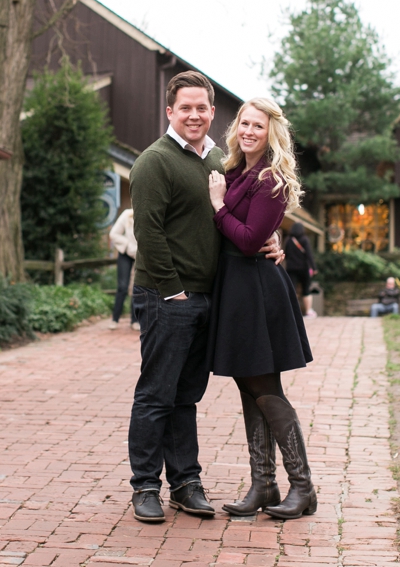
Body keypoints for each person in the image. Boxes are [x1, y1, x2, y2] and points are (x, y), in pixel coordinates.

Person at [128, 72, 284, 523]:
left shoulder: (221, 159)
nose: (194, 115)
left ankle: (185, 483)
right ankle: (144, 486)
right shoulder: (153, 162)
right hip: (167, 296)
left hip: (210, 297)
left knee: (186, 396)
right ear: (170, 112)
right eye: (185, 108)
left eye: (202, 108)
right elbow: (149, 233)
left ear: (213, 113)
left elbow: (246, 215)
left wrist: (274, 238)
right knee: (156, 394)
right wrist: (173, 290)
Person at [207, 97, 316, 520]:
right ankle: (264, 484)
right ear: (238, 127)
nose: (250, 131)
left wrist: (217, 206)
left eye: (259, 125)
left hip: (256, 289)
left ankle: (302, 486)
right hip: (235, 289)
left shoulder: (270, 178)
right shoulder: (234, 172)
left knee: (267, 390)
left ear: (272, 133)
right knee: (249, 388)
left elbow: (250, 238)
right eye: (246, 123)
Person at [108, 208, 139, 331]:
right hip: (125, 254)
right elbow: (113, 234)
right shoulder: (127, 215)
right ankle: (115, 319)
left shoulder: (148, 214)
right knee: (122, 286)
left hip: (140, 255)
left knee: (137, 286)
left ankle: (135, 320)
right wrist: (128, 246)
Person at [283, 222, 316, 317]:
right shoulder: (305, 240)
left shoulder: (288, 240)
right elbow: (309, 255)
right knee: (306, 289)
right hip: (303, 268)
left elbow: (286, 254)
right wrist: (314, 268)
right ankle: (309, 311)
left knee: (292, 290)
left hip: (291, 268)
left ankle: (292, 312)